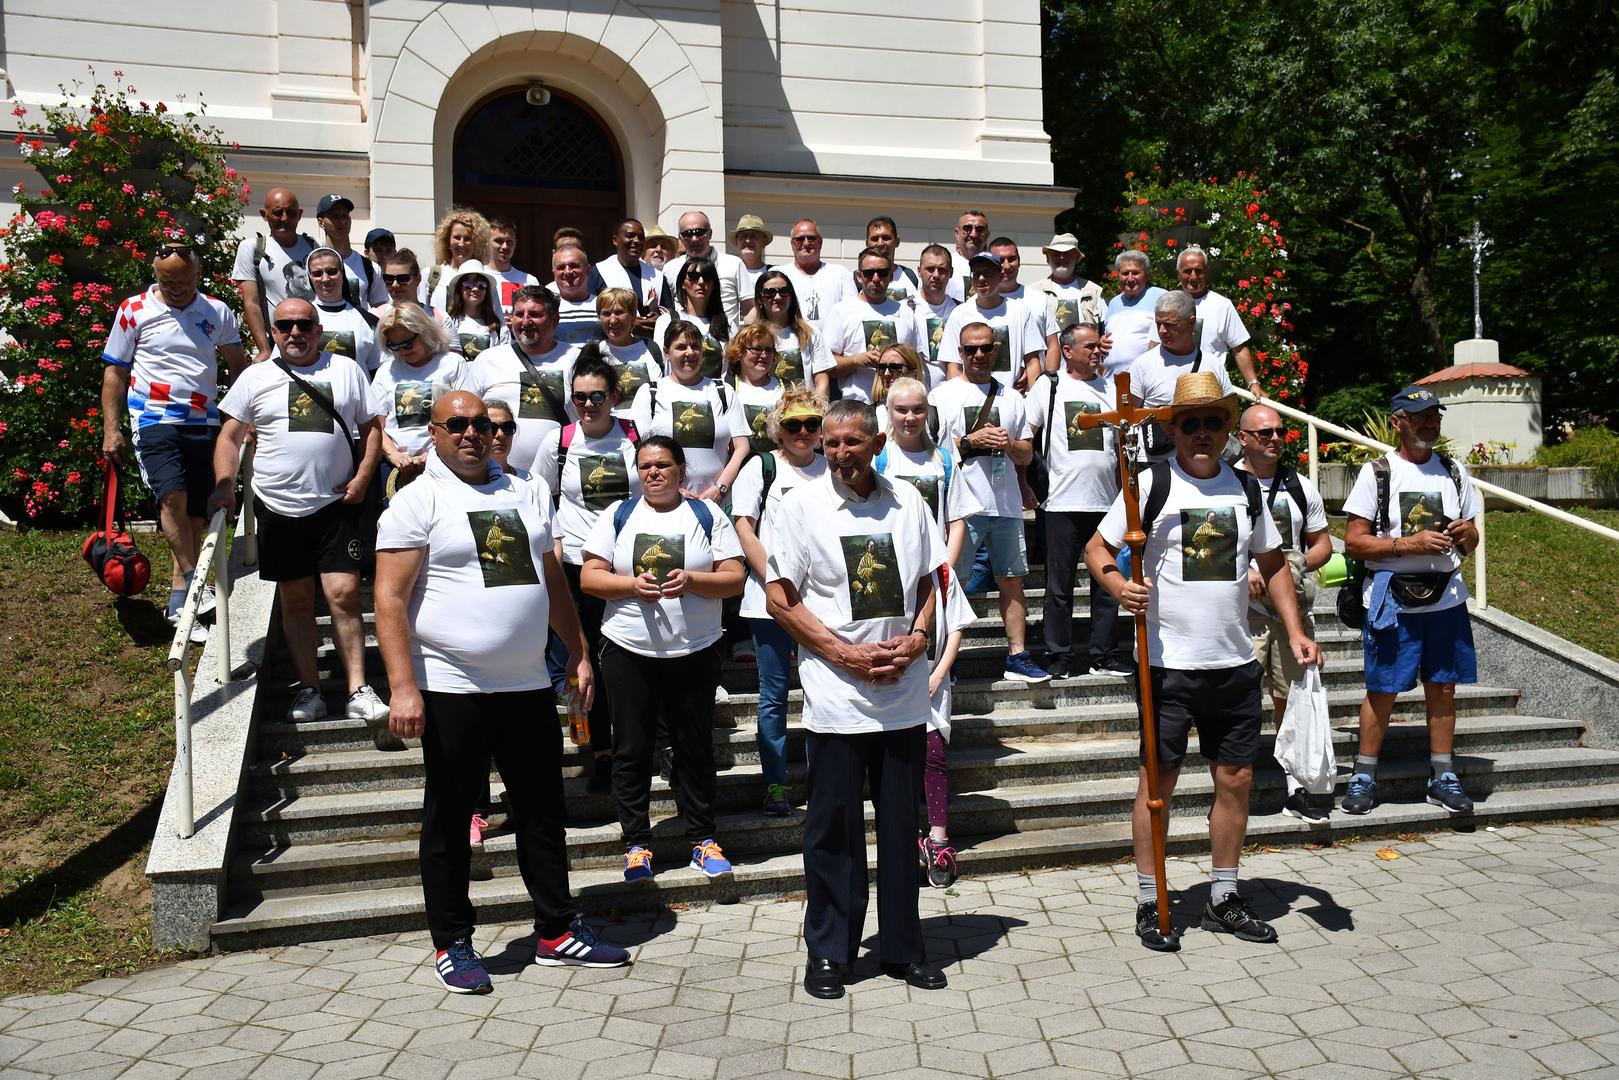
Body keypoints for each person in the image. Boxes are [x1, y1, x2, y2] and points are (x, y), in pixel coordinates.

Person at [374, 390, 630, 994]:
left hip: (524, 683)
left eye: (481, 425)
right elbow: (387, 598)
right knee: (450, 816)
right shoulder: (418, 501)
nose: (470, 434)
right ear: (433, 433)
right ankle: (453, 941)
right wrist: (403, 687)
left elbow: (551, 580)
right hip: (451, 684)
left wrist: (577, 651)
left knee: (543, 808)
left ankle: (556, 930)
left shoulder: (526, 492)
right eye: (456, 424)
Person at [1084, 371, 1319, 950]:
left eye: (1214, 422)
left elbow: (1274, 563)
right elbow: (1096, 548)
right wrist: (1118, 588)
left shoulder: (1247, 490)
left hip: (1235, 663)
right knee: (1157, 783)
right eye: (1191, 423)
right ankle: (1149, 894)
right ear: (1176, 429)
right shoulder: (1150, 483)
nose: (1202, 433)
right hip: (1166, 666)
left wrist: (1294, 631)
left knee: (1235, 778)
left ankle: (1223, 894)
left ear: (1227, 429)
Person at [766, 399, 949, 999]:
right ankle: (830, 952)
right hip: (838, 696)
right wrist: (843, 655)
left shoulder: (909, 503)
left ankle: (903, 948)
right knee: (833, 831)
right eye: (832, 443)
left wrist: (919, 638)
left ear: (875, 443)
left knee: (901, 827)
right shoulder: (799, 507)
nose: (841, 454)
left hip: (899, 695)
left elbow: (929, 582)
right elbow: (781, 599)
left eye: (853, 442)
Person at [208, 299, 390, 734]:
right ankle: (309, 688)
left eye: (304, 324)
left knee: (344, 593)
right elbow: (230, 438)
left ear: (317, 327)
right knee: (296, 599)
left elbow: (373, 428)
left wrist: (365, 477)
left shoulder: (345, 369)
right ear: (272, 329)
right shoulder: (255, 377)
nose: (295, 332)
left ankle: (358, 689)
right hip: (279, 506)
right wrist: (222, 485)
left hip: (337, 503)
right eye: (285, 325)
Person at [581, 436, 746, 885]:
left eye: (663, 465)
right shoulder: (618, 515)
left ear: (680, 470)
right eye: (646, 465)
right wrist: (631, 586)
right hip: (628, 648)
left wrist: (692, 579)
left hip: (694, 649)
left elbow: (734, 579)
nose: (654, 473)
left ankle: (702, 839)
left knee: (693, 747)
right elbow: (590, 577)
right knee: (631, 749)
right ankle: (636, 844)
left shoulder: (706, 514)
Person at [1341, 386, 1482, 817]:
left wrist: (1464, 535)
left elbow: (1474, 537)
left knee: (1443, 686)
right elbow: (1354, 543)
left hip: (1446, 600)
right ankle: (1363, 776)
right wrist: (1409, 544)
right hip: (1394, 601)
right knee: (1383, 689)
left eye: (1435, 417)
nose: (1430, 424)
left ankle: (1443, 775)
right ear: (1398, 421)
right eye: (1420, 417)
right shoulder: (1378, 473)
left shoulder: (1454, 471)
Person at [101, 243, 247, 641]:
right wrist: (111, 429)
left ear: (197, 276)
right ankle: (195, 583)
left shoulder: (216, 312)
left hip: (203, 421)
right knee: (171, 498)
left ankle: (179, 603)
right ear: (155, 275)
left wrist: (245, 417)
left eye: (183, 281)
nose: (176, 289)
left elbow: (238, 366)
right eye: (167, 282)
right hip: (154, 420)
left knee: (195, 518)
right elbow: (114, 373)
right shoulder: (134, 310)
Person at [532, 355, 642, 795]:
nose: (588, 404)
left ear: (613, 396)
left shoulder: (633, 437)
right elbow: (542, 498)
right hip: (577, 564)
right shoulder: (557, 442)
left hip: (624, 565)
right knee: (582, 664)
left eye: (597, 395)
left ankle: (637, 745)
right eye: (579, 396)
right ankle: (595, 751)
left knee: (627, 658)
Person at [929, 322, 1049, 683]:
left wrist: (1008, 445)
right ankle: (942, 661)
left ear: (996, 350)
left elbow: (1027, 453)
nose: (978, 355)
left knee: (1012, 581)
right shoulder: (941, 395)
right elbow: (930, 453)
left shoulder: (1012, 397)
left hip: (1005, 504)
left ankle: (1018, 654)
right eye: (970, 349)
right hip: (961, 507)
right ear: (960, 353)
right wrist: (969, 442)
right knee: (953, 584)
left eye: (985, 348)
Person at [731, 387, 829, 817]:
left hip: (821, 599)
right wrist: (774, 578)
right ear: (779, 430)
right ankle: (775, 785)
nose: (803, 432)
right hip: (769, 600)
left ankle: (824, 780)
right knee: (773, 695)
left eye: (811, 424)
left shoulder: (831, 468)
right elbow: (744, 527)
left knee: (820, 690)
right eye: (794, 425)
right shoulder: (761, 466)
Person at [1235, 403, 1334, 821]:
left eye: (1279, 432)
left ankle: (1297, 785)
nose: (1274, 439)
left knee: (1290, 696)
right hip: (1245, 611)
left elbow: (1323, 544)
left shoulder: (1299, 486)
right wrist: (1247, 571)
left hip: (1291, 609)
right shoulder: (1229, 483)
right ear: (1243, 438)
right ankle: (1232, 788)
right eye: (1264, 434)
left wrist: (1291, 568)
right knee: (1239, 697)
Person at [1026, 323, 1130, 679]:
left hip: (1107, 504)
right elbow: (1027, 436)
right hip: (1062, 502)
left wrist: (1126, 495)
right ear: (1067, 351)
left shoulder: (1115, 389)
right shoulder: (1050, 386)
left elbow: (1122, 444)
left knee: (1106, 584)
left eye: (1099, 345)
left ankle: (1104, 654)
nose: (1096, 351)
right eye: (1089, 346)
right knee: (1060, 585)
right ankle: (1060, 655)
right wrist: (1029, 488)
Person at [461, 286, 579, 474]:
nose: (525, 321)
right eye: (519, 314)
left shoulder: (576, 359)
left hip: (561, 478)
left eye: (535, 314)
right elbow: (464, 414)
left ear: (555, 320)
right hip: (496, 478)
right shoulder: (488, 360)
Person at [629, 321, 750, 502]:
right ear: (666, 352)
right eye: (681, 347)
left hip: (719, 502)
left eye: (695, 347)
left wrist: (720, 488)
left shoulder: (723, 391)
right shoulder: (649, 393)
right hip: (667, 501)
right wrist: (675, 490)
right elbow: (641, 452)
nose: (689, 353)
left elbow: (741, 448)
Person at [372, 303, 465, 498]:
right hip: (395, 467)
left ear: (424, 332)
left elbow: (464, 416)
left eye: (407, 344)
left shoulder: (452, 364)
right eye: (394, 346)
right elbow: (376, 425)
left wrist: (437, 451)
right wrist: (393, 455)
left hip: (443, 464)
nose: (402, 351)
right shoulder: (386, 371)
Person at [1132, 290, 1234, 454]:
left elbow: (1227, 414)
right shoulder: (1143, 364)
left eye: (1170, 324)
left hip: (1202, 462)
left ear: (1191, 322)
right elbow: (1127, 418)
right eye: (1159, 324)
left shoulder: (1213, 364)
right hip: (1154, 463)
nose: (1162, 331)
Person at [823, 248, 927, 403]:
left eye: (882, 272)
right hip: (857, 405)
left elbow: (916, 362)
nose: (876, 278)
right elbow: (826, 366)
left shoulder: (905, 312)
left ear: (891, 275)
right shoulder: (841, 310)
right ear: (859, 276)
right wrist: (857, 360)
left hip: (898, 406)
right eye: (869, 273)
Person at [934, 252, 1044, 389]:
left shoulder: (1020, 311)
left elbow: (1032, 362)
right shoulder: (959, 314)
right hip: (972, 403)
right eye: (976, 273)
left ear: (1000, 276)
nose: (981, 278)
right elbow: (953, 366)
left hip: (1011, 398)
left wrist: (1035, 399)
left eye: (988, 273)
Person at [232, 187, 317, 364]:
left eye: (291, 213)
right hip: (280, 343)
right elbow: (251, 302)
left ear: (300, 214)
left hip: (314, 340)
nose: (284, 219)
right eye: (277, 213)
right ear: (264, 214)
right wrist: (264, 349)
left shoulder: (316, 247)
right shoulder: (252, 249)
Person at [1177, 245, 1262, 394]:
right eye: (1187, 271)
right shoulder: (1168, 304)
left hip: (1211, 387)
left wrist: (1253, 383)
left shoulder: (1222, 305)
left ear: (1206, 273)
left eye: (1199, 271)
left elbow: (1239, 347)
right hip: (1175, 385)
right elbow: (1155, 345)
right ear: (1179, 274)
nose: (1193, 276)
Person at [989, 236, 1060, 375]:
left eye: (1011, 259)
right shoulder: (978, 303)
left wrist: (1047, 383)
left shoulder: (1039, 298)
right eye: (1000, 260)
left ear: (1019, 261)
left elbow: (1052, 346)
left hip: (1035, 388)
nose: (1007, 266)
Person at [754, 268, 831, 395]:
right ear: (760, 299)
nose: (777, 297)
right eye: (769, 293)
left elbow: (821, 380)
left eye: (784, 291)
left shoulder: (810, 332)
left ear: (791, 297)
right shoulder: (751, 337)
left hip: (805, 411)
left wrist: (819, 409)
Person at [663, 211, 746, 327]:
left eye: (700, 232)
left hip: (727, 341)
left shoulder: (734, 264)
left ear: (710, 233)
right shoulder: (670, 268)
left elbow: (749, 308)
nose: (694, 239)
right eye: (687, 234)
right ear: (680, 238)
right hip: (686, 341)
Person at [653, 256, 731, 381]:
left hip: (713, 394)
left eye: (707, 277)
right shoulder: (666, 321)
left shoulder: (725, 324)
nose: (701, 282)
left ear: (713, 285)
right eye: (694, 277)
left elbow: (727, 368)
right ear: (683, 283)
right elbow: (661, 363)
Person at [305, 247, 380, 374]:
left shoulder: (368, 320)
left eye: (332, 271)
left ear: (342, 273)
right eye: (317, 273)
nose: (325, 279)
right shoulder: (299, 319)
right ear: (309, 277)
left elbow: (377, 370)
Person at [590, 287, 664, 412]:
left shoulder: (651, 349)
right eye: (606, 314)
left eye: (619, 312)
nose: (613, 320)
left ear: (633, 316)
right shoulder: (593, 353)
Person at [592, 219, 670, 338]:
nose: (636, 241)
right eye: (630, 236)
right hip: (614, 344)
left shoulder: (657, 276)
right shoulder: (598, 272)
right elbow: (590, 311)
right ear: (615, 240)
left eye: (641, 237)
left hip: (651, 345)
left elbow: (668, 309)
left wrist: (659, 318)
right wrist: (627, 323)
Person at [780, 218, 855, 332]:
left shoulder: (840, 273)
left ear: (820, 242)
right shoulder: (780, 274)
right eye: (800, 239)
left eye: (811, 238)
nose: (806, 243)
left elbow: (851, 313)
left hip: (832, 347)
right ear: (792, 244)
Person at [314, 193, 386, 309]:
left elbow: (380, 309)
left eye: (345, 215)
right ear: (321, 222)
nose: (342, 221)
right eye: (334, 216)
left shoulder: (370, 267)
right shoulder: (312, 265)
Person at [1103, 250, 1167, 376]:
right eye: (1125, 273)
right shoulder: (1113, 303)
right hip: (1112, 378)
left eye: (1136, 273)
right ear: (1118, 275)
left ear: (1147, 275)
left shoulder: (1160, 296)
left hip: (1144, 377)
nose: (1130, 278)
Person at [726, 324, 786, 455]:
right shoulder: (725, 388)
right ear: (739, 352)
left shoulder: (786, 388)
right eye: (757, 349)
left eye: (769, 350)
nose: (764, 355)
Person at [1033, 232, 1106, 333]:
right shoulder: (1034, 292)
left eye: (1067, 253)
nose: (1062, 257)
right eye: (1056, 253)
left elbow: (1104, 331)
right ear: (1047, 259)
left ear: (1076, 258)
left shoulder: (1094, 291)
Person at [427, 207, 493, 313]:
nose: (461, 244)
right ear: (447, 241)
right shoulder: (430, 275)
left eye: (468, 239)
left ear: (476, 243)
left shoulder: (486, 277)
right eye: (457, 237)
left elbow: (497, 319)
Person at [439, 260, 505, 358]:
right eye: (468, 284)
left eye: (481, 285)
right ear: (459, 289)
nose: (475, 289)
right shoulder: (448, 322)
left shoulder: (499, 326)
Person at [914, 244, 959, 378]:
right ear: (919, 271)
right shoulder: (904, 309)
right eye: (930, 269)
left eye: (942, 270)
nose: (936, 275)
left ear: (951, 272)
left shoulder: (960, 311)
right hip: (915, 394)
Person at [550, 242, 600, 347]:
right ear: (553, 272)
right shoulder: (547, 308)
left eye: (574, 265)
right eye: (561, 267)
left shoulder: (603, 306)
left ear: (588, 269)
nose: (567, 272)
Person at [487, 218, 539, 315]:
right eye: (498, 241)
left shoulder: (529, 281)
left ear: (515, 243)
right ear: (487, 242)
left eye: (509, 241)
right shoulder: (479, 276)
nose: (505, 246)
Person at [870, 343, 926, 433]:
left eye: (895, 368)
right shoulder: (868, 416)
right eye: (882, 368)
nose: (886, 373)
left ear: (913, 373)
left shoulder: (933, 416)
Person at [865, 216, 920, 298]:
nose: (880, 243)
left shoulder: (914, 278)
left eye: (886, 238)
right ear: (867, 243)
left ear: (897, 241)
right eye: (875, 239)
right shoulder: (855, 280)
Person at [730, 214, 773, 317]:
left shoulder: (774, 274)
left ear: (764, 242)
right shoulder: (727, 272)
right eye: (743, 236)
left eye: (753, 236)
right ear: (737, 242)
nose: (748, 241)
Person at [947, 210, 991, 302]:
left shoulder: (995, 266)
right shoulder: (945, 265)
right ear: (956, 233)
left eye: (979, 229)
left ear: (987, 234)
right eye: (967, 228)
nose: (973, 234)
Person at [375, 249, 424, 319]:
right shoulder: (376, 316)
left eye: (402, 278)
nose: (394, 284)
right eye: (389, 278)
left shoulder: (437, 317)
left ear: (418, 279)